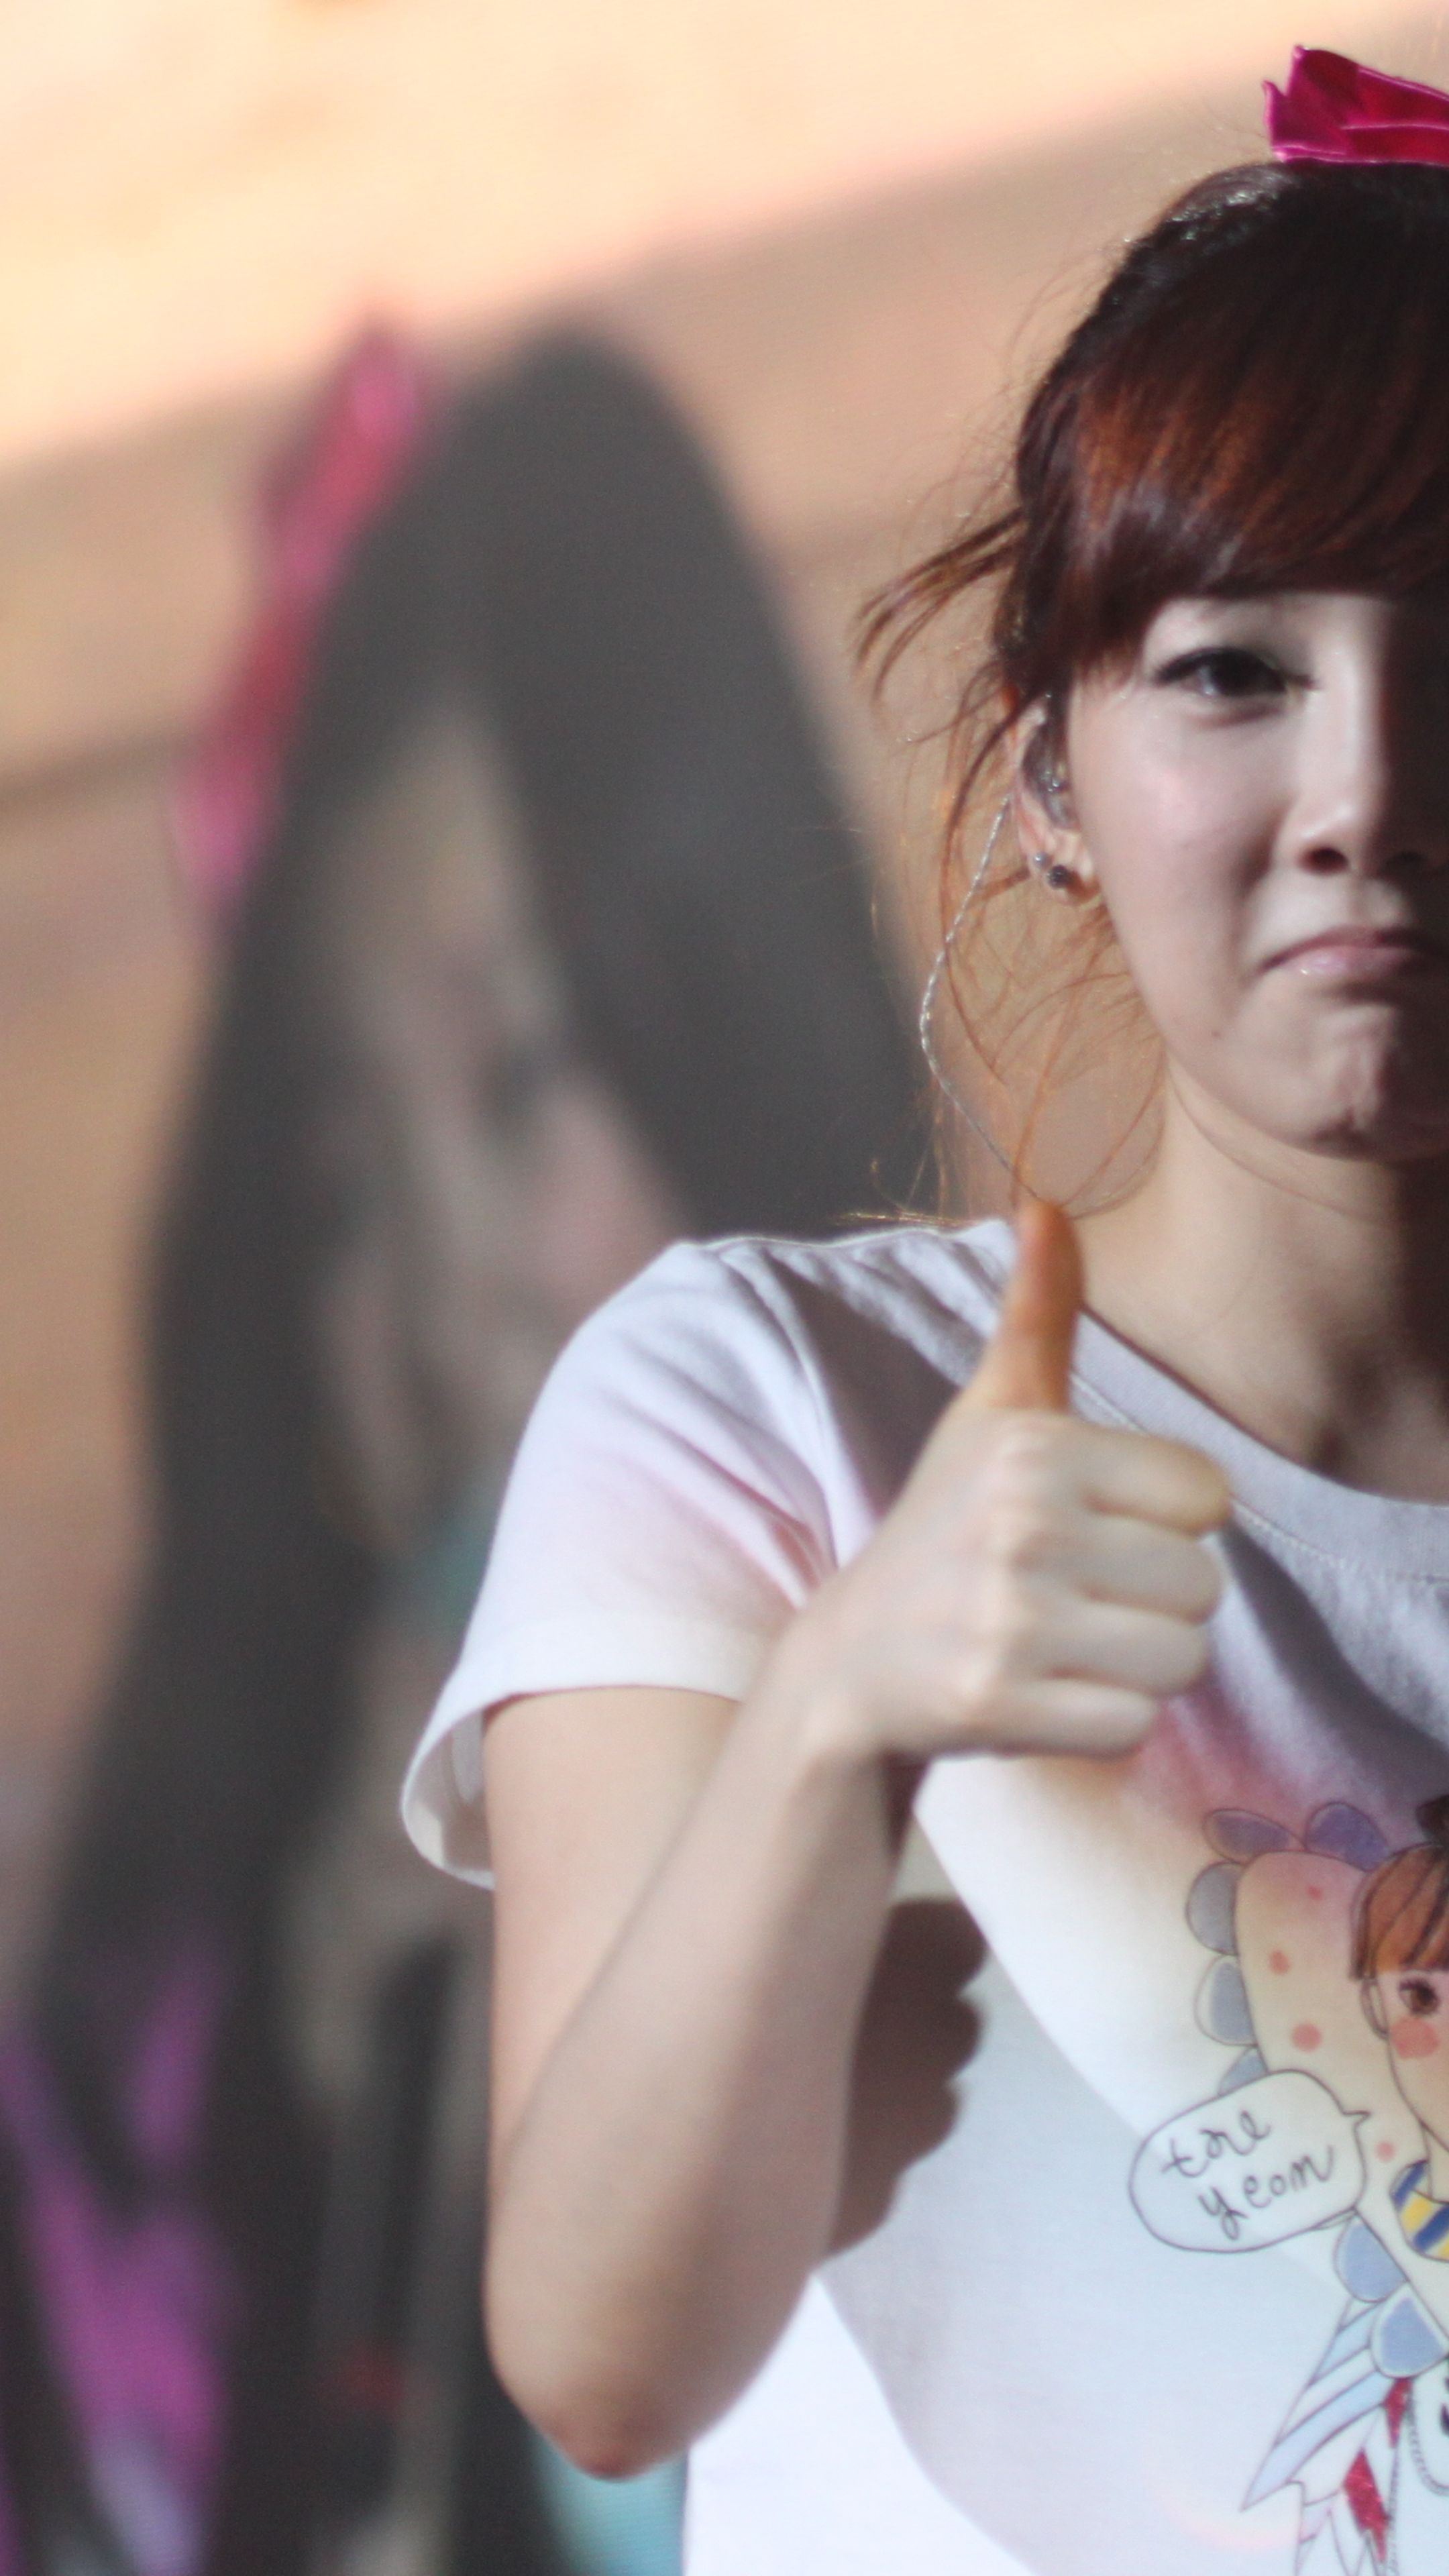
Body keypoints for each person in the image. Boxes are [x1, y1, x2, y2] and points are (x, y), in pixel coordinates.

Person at [402, 47, 1449, 2576]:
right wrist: (840, 1719)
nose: (1367, 796)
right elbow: (606, 2355)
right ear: (1050, 777)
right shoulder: (771, 1406)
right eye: (1233, 670)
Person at [6, 332, 919, 2575]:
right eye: (343, 1189)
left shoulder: (1101, 1785)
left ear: (728, 1034)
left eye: (516, 1083)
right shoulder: (162, 2085)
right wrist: (308, 2133)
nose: (437, 1315)